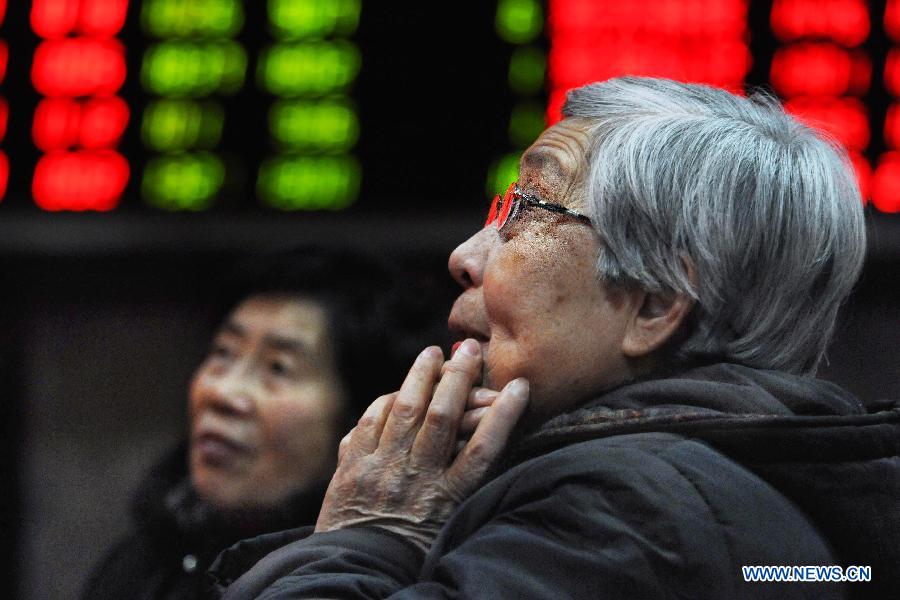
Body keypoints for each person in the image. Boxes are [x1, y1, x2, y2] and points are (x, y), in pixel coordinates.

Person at [209, 78, 900, 599]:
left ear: (655, 304)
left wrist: (369, 536)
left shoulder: (623, 517)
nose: (465, 256)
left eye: (528, 210)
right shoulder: (750, 490)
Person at [82, 247, 427, 599]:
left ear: (366, 417)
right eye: (223, 353)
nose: (221, 392)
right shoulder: (135, 566)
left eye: (278, 368)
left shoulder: (385, 583)